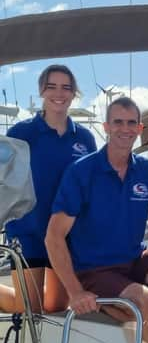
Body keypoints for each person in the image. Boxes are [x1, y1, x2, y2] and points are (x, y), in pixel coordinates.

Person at [45, 97, 148, 343]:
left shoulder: (146, 170)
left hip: (133, 260)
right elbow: (54, 237)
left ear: (139, 129)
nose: (125, 129)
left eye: (131, 123)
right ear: (106, 126)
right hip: (94, 269)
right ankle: (107, 304)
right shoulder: (82, 172)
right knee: (146, 300)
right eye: (118, 122)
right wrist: (75, 291)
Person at [1, 65, 96, 314]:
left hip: (65, 237)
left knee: (55, 308)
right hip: (27, 232)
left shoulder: (85, 139)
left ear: (74, 93)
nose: (59, 93)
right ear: (41, 90)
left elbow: (92, 186)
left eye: (66, 87)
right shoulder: (21, 133)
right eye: (51, 86)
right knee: (30, 311)